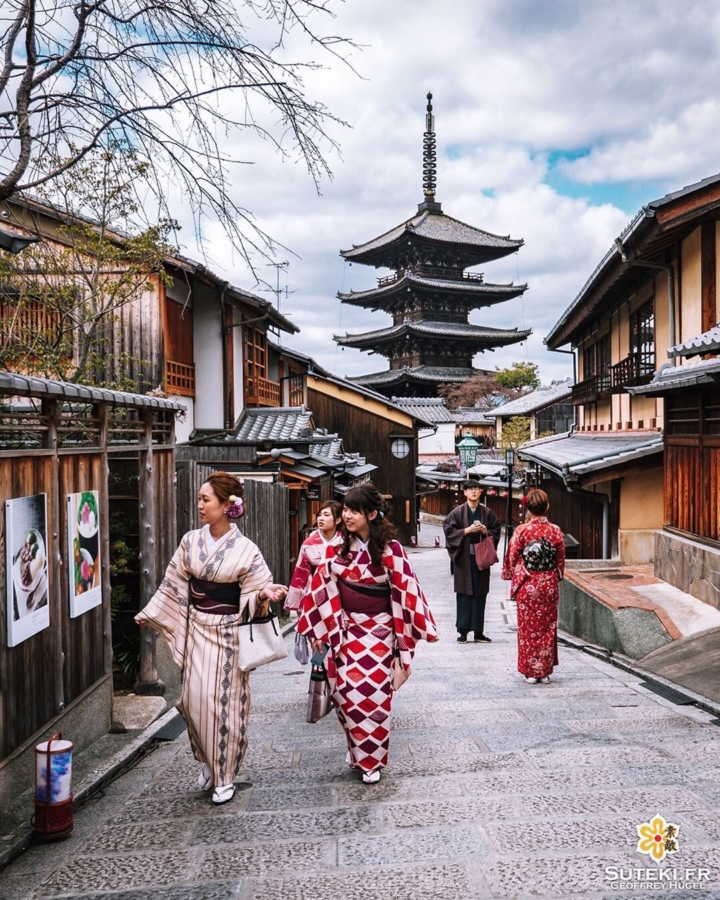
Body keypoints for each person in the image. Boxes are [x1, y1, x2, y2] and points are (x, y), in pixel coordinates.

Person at [135, 472, 287, 805]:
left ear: (226, 505)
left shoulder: (247, 550)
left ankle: (224, 776)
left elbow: (254, 589)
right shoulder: (191, 541)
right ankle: (208, 760)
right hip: (198, 630)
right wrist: (155, 612)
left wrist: (263, 593)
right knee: (191, 702)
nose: (200, 505)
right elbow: (173, 583)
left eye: (206, 500)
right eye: (200, 499)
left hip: (230, 633)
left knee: (223, 707)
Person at [297, 484, 438, 784]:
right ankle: (357, 749)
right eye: (345, 509)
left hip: (380, 631)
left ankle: (371, 761)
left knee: (372, 696)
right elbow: (320, 586)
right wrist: (320, 629)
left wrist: (407, 638)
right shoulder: (337, 550)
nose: (346, 515)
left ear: (372, 514)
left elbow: (406, 592)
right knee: (344, 694)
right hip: (345, 630)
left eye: (354, 510)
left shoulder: (392, 551)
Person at [501, 488, 565, 684]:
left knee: (528, 628)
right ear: (547, 507)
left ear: (527, 508)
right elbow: (560, 559)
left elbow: (512, 557)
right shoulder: (555, 530)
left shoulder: (522, 531)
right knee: (548, 626)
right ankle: (544, 672)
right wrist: (556, 576)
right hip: (549, 585)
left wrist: (510, 572)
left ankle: (530, 671)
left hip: (529, 584)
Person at [443, 479, 501, 644]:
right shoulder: (458, 512)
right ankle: (462, 632)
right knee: (463, 595)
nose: (474, 492)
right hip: (464, 560)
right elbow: (448, 529)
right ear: (465, 493)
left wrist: (486, 531)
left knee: (480, 594)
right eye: (470, 489)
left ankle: (478, 632)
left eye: (476, 489)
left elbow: (496, 530)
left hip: (481, 560)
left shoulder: (486, 512)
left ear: (480, 492)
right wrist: (466, 531)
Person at [285, 500, 343, 612]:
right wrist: (299, 603)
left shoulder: (346, 542)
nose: (321, 518)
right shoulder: (309, 543)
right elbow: (301, 572)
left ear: (338, 519)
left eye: (326, 515)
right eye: (319, 515)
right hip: (315, 591)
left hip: (341, 591)